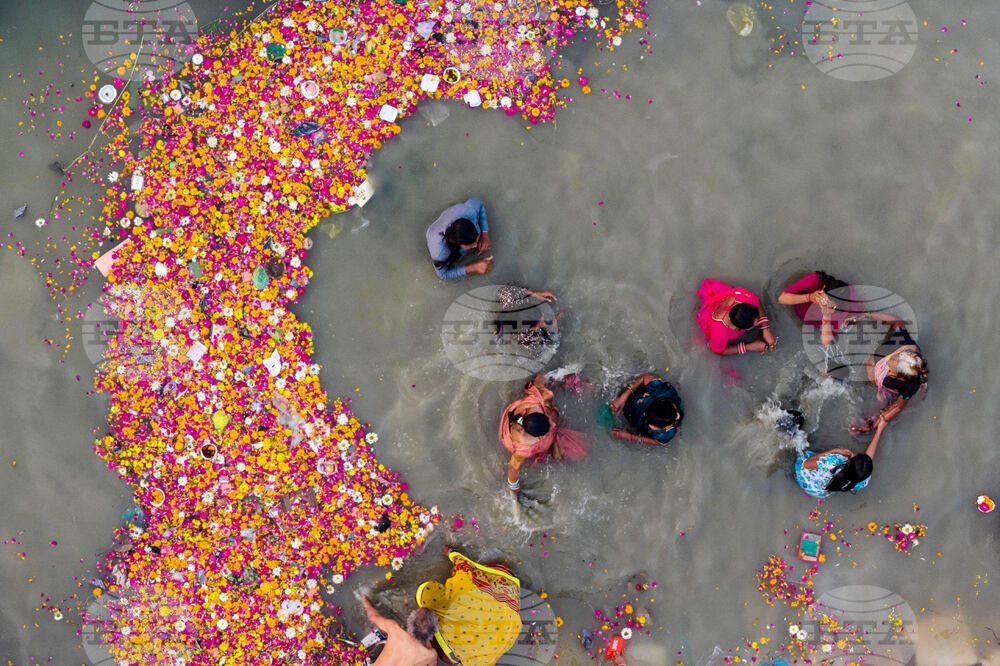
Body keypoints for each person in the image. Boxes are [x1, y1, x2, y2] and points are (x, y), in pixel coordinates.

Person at [415, 549, 522, 665]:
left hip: (512, 600)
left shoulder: (480, 660)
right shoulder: (450, 607)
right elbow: (425, 590)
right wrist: (451, 552)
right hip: (495, 577)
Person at [500, 372, 587, 494]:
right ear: (540, 437)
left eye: (549, 422)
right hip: (514, 435)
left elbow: (540, 379)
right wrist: (514, 488)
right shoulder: (524, 448)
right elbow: (513, 468)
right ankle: (555, 448)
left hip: (524, 421)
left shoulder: (535, 403)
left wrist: (554, 375)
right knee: (575, 452)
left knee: (547, 399)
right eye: (549, 428)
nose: (553, 424)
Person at [778, 271, 903, 345]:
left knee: (857, 318)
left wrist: (826, 315)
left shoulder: (842, 310)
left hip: (817, 320)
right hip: (801, 307)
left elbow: (826, 341)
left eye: (827, 302)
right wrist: (809, 297)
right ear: (823, 287)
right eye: (823, 295)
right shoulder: (816, 280)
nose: (822, 300)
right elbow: (782, 298)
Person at [850, 321, 928, 433]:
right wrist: (864, 317)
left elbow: (898, 407)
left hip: (890, 387)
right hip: (888, 366)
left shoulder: (904, 386)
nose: (890, 360)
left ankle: (871, 419)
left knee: (881, 405)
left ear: (896, 376)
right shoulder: (905, 343)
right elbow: (898, 322)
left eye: (891, 366)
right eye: (896, 356)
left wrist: (873, 425)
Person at [795, 418, 886, 498]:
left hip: (803, 476)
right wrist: (879, 431)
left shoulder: (833, 462)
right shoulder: (860, 480)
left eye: (855, 455)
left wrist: (834, 451)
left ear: (848, 462)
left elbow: (806, 464)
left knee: (804, 454)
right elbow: (867, 459)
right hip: (817, 492)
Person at [696, 278, 778, 355]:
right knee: (751, 337)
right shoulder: (719, 333)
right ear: (738, 328)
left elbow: (757, 302)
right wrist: (750, 346)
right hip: (717, 326)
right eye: (755, 323)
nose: (758, 322)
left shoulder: (742, 297)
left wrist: (765, 329)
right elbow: (719, 351)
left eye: (757, 320)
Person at [609, 373, 684, 446]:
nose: (644, 413)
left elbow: (659, 442)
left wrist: (630, 437)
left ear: (664, 428)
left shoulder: (666, 433)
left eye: (650, 423)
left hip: (634, 418)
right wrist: (623, 397)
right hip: (635, 397)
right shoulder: (663, 392)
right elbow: (645, 377)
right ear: (661, 401)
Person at [361, 596, 438, 666]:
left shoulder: (394, 629)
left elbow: (373, 616)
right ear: (433, 632)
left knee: (383, 641)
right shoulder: (431, 655)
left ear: (410, 621)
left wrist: (366, 602)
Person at [426, 198, 492, 279]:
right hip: (434, 235)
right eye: (471, 245)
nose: (476, 246)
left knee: (478, 230)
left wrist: (484, 234)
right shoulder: (439, 252)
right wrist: (473, 267)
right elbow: (443, 275)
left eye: (477, 241)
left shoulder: (468, 212)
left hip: (455, 214)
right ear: (458, 243)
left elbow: (479, 202)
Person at [495, 286, 559, 357]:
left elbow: (504, 290)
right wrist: (553, 325)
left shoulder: (516, 302)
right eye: (541, 322)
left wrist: (534, 294)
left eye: (542, 318)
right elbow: (538, 355)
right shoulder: (525, 337)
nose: (543, 323)